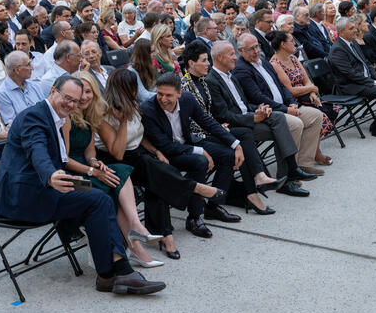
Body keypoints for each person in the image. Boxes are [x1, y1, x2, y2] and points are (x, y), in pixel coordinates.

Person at [0, 74, 166, 295]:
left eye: (75, 100)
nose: (71, 104)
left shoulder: (58, 117)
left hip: (49, 185)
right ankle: (115, 271)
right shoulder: (33, 118)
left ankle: (114, 270)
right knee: (97, 200)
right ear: (53, 91)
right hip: (26, 196)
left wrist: (87, 170)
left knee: (102, 189)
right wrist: (51, 175)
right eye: (67, 97)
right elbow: (38, 151)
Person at [94, 69, 224, 251]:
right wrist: (122, 121)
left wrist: (156, 150)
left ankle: (165, 236)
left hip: (137, 154)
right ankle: (193, 188)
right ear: (126, 88)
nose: (136, 90)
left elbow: (140, 136)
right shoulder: (105, 114)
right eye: (133, 86)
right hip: (116, 162)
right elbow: (118, 153)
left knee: (158, 179)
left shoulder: (132, 104)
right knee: (157, 173)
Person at [63, 71, 163, 268]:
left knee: (119, 170)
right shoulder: (66, 118)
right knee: (109, 191)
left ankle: (135, 229)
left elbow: (90, 151)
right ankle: (134, 247)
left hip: (85, 168)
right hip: (68, 176)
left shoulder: (89, 116)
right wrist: (92, 171)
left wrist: (94, 162)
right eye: (80, 92)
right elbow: (64, 160)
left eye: (89, 91)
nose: (84, 97)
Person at [180, 42, 284, 214]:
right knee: (238, 143)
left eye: (208, 60)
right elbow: (190, 122)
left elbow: (207, 114)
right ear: (191, 63)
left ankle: (253, 188)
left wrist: (220, 126)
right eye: (204, 60)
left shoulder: (203, 81)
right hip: (196, 136)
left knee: (242, 136)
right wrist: (220, 129)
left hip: (211, 129)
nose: (209, 64)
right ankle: (253, 187)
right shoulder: (185, 85)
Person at [207, 41, 316, 197]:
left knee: (279, 118)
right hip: (237, 126)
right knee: (289, 126)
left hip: (249, 117)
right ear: (219, 57)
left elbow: (243, 104)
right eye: (231, 54)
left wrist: (259, 109)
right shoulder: (212, 80)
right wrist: (254, 117)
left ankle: (291, 170)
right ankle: (288, 176)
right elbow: (224, 115)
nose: (235, 58)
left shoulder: (230, 75)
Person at [143, 72, 245, 235]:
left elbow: (207, 122)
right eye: (160, 94)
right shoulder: (148, 109)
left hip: (187, 144)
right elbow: (165, 146)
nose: (163, 99)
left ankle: (213, 206)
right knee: (200, 162)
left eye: (168, 95)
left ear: (179, 93)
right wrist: (200, 151)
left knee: (228, 155)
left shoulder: (187, 99)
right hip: (166, 154)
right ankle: (194, 217)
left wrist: (235, 143)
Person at [234, 33, 324, 175]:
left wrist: (290, 103)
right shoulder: (241, 69)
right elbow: (257, 97)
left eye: (257, 46)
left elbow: (282, 86)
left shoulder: (263, 61)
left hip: (285, 106)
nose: (256, 51)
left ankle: (304, 163)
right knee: (296, 124)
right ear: (241, 51)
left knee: (316, 116)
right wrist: (286, 109)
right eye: (251, 49)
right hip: (270, 111)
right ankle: (289, 170)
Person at [328, 17, 376, 140]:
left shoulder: (353, 42)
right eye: (351, 28)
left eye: (354, 27)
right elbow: (350, 74)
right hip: (351, 86)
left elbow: (366, 63)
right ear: (341, 32)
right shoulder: (337, 49)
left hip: (364, 81)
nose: (355, 30)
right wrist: (374, 82)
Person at [267, 30, 334, 166]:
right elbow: (290, 90)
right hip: (292, 101)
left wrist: (312, 93)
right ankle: (315, 153)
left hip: (306, 95)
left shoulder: (293, 58)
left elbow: (307, 80)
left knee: (332, 109)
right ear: (283, 44)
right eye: (292, 41)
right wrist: (312, 89)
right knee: (322, 116)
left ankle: (313, 151)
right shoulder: (275, 63)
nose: (295, 44)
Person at [0, 51, 44, 125]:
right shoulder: (1, 94)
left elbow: (46, 112)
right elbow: (13, 126)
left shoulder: (35, 86)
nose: (32, 68)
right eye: (28, 65)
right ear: (17, 70)